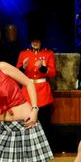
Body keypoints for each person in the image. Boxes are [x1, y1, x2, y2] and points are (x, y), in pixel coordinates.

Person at [16, 14, 56, 148]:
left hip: (43, 91)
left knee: (44, 122)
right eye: (33, 40)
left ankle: (45, 148)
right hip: (27, 92)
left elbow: (52, 73)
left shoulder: (48, 54)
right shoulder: (23, 54)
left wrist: (42, 68)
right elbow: (16, 73)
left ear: (41, 41)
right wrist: (23, 67)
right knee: (28, 120)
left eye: (37, 40)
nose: (35, 42)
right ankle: (28, 147)